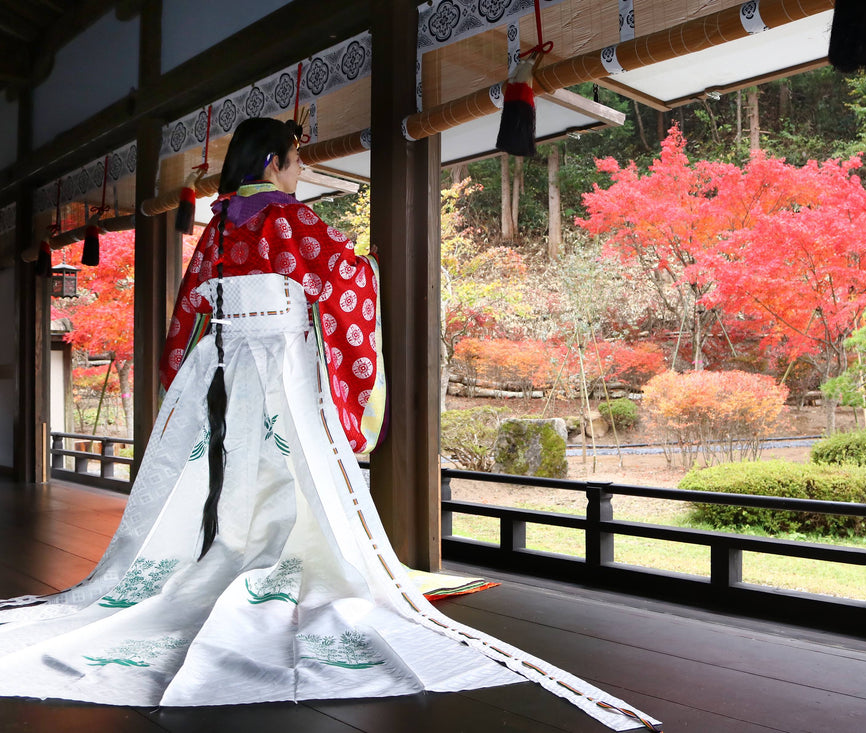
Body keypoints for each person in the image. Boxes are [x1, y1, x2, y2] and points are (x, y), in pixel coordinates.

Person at [0, 118, 657, 731]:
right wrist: (367, 271)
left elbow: (190, 302)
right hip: (284, 360)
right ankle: (286, 562)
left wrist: (183, 368)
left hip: (225, 362)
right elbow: (341, 275)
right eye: (294, 163)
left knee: (235, 474)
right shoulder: (288, 216)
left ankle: (235, 552)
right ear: (271, 162)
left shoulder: (220, 220)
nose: (297, 176)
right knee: (299, 466)